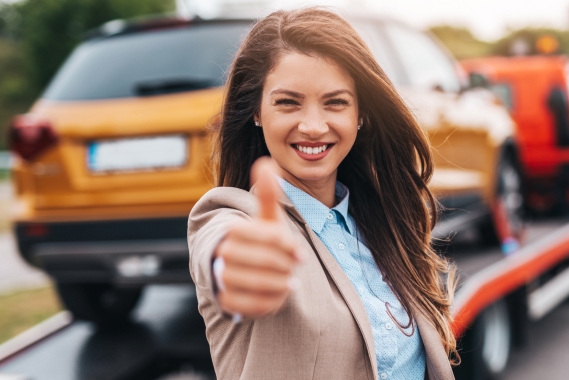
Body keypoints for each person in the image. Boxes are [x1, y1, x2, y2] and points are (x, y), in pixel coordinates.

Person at [188, 8, 456, 380]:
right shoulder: (233, 217)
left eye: (335, 102)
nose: (314, 126)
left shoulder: (380, 221)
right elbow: (220, 251)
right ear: (256, 112)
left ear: (360, 114)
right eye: (287, 102)